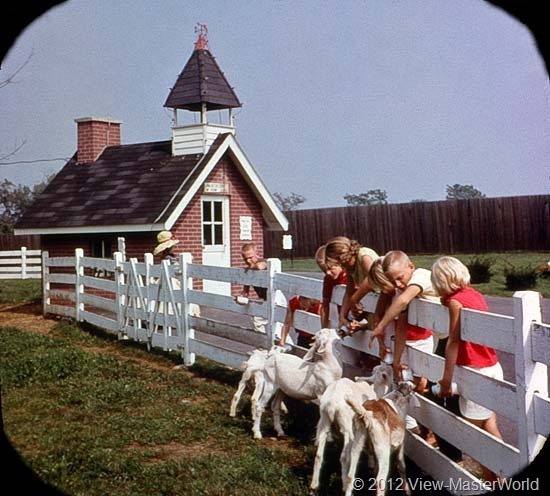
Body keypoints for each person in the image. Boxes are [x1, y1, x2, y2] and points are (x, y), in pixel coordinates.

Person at [431, 256, 504, 480]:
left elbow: (453, 342)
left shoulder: (455, 303)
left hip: (475, 372)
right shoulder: (474, 295)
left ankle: (497, 479)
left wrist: (446, 379)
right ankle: (503, 475)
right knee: (489, 426)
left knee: (475, 438)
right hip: (492, 367)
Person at [368, 250, 438, 441]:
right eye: (394, 281)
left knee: (427, 384)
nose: (398, 284)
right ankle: (421, 432)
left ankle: (433, 433)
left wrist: (381, 325)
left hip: (441, 334)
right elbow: (401, 327)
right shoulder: (401, 288)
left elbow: (404, 300)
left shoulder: (420, 276)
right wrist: (397, 359)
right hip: (423, 336)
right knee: (413, 383)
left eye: (400, 278)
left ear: (411, 266)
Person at [324, 236, 378, 331]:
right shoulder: (350, 268)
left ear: (341, 257)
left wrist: (354, 300)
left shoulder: (364, 256)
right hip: (374, 306)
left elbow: (372, 278)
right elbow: (349, 290)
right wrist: (342, 316)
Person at [315, 244, 347, 328]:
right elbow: (325, 305)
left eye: (330, 268)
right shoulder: (328, 279)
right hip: (344, 320)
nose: (328, 273)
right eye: (324, 270)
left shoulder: (348, 276)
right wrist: (324, 329)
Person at [240, 243, 269, 333]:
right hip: (266, 299)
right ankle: (263, 342)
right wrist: (243, 296)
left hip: (276, 297)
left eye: (251, 257)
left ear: (256, 254)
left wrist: (250, 268)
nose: (248, 261)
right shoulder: (248, 272)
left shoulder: (262, 261)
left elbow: (261, 266)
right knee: (257, 320)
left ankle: (287, 345)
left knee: (278, 326)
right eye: (245, 259)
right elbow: (245, 291)